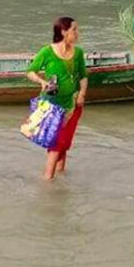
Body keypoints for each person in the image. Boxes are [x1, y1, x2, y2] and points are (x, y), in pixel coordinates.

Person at [26, 17, 88, 180]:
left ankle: (60, 175)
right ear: (63, 32)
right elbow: (31, 71)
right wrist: (41, 81)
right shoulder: (47, 51)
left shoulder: (78, 53)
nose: (77, 33)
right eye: (74, 29)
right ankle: (48, 180)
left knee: (65, 143)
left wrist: (82, 93)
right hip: (52, 105)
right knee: (56, 142)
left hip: (73, 103)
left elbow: (83, 76)